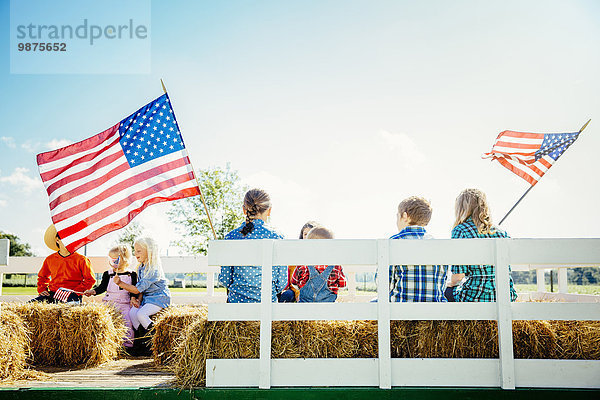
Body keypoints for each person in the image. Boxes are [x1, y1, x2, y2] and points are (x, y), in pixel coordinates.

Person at [446, 188, 518, 302]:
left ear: (461, 208)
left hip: (476, 295)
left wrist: (450, 284)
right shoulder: (501, 232)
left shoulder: (460, 230)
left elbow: (458, 277)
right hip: (506, 295)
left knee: (447, 291)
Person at [218, 188, 288, 303]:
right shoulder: (277, 237)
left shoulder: (232, 237)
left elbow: (225, 279)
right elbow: (282, 281)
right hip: (267, 302)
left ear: (244, 210)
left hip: (236, 302)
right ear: (269, 211)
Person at [113, 237, 171, 356]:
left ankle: (156, 338)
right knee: (133, 313)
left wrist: (120, 283)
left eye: (139, 251)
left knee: (141, 314)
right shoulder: (141, 267)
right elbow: (140, 289)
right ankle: (141, 343)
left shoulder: (153, 269)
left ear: (149, 251)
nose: (135, 253)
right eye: (135, 251)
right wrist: (137, 299)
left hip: (158, 298)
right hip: (146, 298)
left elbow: (136, 288)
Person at [389, 196, 447, 302]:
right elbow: (442, 284)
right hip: (435, 313)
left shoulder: (393, 242)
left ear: (405, 216)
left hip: (401, 313)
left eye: (397, 216)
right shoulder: (440, 246)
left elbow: (383, 284)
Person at [84, 244, 137, 351]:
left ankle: (127, 345)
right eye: (110, 260)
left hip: (124, 303)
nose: (112, 263)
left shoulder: (131, 274)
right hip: (110, 303)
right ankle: (109, 343)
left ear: (125, 259)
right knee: (107, 321)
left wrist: (133, 298)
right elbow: (102, 287)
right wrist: (93, 291)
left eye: (115, 260)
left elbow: (133, 289)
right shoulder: (108, 274)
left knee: (128, 320)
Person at [32, 225, 95, 303]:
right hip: (53, 294)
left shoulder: (82, 259)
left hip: (72, 295)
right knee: (31, 305)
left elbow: (90, 280)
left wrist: (76, 292)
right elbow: (42, 277)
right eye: (64, 238)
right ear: (57, 239)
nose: (68, 241)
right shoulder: (50, 259)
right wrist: (42, 290)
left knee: (67, 309)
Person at [290, 226, 347, 303]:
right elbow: (342, 285)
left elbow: (294, 283)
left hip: (305, 308)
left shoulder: (302, 264)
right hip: (328, 308)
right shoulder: (335, 266)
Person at [278, 220, 321, 303]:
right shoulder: (296, 253)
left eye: (310, 234)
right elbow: (292, 279)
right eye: (305, 234)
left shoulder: (320, 254)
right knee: (286, 295)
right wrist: (298, 293)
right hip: (296, 289)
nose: (307, 237)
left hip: (315, 289)